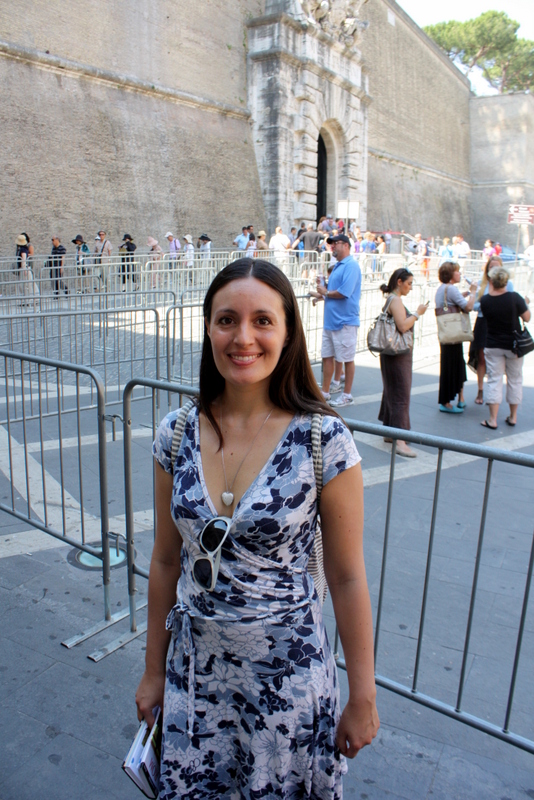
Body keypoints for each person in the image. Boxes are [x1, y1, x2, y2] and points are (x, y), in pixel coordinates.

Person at [135, 257, 379, 798]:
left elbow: (347, 577)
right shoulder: (176, 433)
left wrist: (363, 694)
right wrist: (153, 671)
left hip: (287, 684)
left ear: (288, 331)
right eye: (227, 320)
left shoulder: (324, 439)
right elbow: (166, 561)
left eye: (263, 321)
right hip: (194, 675)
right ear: (208, 328)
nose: (243, 337)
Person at [377, 268, 429, 457]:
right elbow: (403, 325)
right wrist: (417, 313)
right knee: (401, 393)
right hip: (398, 354)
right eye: (409, 283)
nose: (411, 287)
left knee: (392, 391)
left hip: (391, 352)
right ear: (399, 282)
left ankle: (390, 431)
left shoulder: (391, 299)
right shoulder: (396, 300)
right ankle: (400, 440)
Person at [311, 234, 361, 408]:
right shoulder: (339, 266)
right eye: (331, 244)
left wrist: (324, 292)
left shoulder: (351, 265)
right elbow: (333, 293)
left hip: (344, 321)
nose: (332, 247)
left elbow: (344, 292)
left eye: (336, 244)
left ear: (346, 245)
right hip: (331, 321)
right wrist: (321, 294)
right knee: (327, 357)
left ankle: (347, 395)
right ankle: (325, 392)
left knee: (347, 359)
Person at [479, 266, 530, 429]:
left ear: (491, 281)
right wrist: (525, 304)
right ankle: (513, 416)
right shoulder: (515, 298)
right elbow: (527, 317)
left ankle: (492, 419)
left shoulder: (485, 300)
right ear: (506, 281)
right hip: (514, 345)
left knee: (494, 379)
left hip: (493, 343)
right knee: (515, 379)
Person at [470, 255, 514, 405]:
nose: (494, 269)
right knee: (482, 357)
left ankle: (493, 393)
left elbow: (511, 301)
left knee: (497, 360)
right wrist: (486, 305)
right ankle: (480, 390)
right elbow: (474, 305)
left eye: (497, 266)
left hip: (500, 323)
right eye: (491, 266)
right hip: (483, 322)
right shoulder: (482, 284)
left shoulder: (509, 284)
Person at [435, 262, 477, 413]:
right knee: (453, 366)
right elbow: (468, 307)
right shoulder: (451, 289)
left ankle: (459, 399)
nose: (459, 274)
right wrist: (473, 292)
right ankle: (446, 402)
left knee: (454, 365)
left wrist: (463, 295)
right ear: (450, 274)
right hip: (453, 334)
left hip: (448, 333)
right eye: (457, 271)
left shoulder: (443, 288)